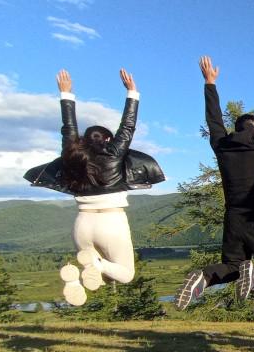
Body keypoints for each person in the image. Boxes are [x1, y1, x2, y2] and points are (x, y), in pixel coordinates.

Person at [24, 69, 164, 306]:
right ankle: (92, 266)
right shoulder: (113, 152)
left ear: (83, 141)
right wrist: (132, 92)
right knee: (125, 274)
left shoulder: (72, 155)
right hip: (111, 222)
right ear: (108, 140)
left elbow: (68, 128)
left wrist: (65, 94)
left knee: (103, 278)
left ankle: (78, 278)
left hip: (82, 223)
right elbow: (128, 126)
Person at [175, 54, 254, 309]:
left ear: (236, 128)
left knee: (232, 267)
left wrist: (209, 84)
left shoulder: (222, 145)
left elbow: (213, 120)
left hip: (233, 217)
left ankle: (204, 277)